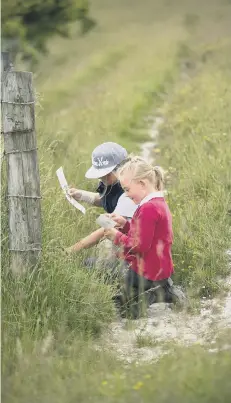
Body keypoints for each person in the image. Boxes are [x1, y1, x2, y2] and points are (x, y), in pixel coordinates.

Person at [104, 156, 186, 318]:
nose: (126, 195)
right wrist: (125, 225)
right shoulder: (158, 203)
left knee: (94, 266)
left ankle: (144, 295)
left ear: (142, 184)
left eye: (127, 189)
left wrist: (117, 236)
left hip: (145, 273)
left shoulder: (147, 209)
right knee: (112, 273)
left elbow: (139, 246)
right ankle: (161, 289)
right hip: (159, 271)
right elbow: (147, 236)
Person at [66, 142, 137, 262]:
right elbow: (104, 199)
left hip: (133, 245)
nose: (102, 178)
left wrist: (72, 250)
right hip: (124, 236)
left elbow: (105, 229)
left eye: (106, 175)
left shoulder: (128, 194)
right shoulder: (113, 183)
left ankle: (114, 273)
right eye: (100, 176)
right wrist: (81, 195)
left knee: (103, 250)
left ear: (119, 169)